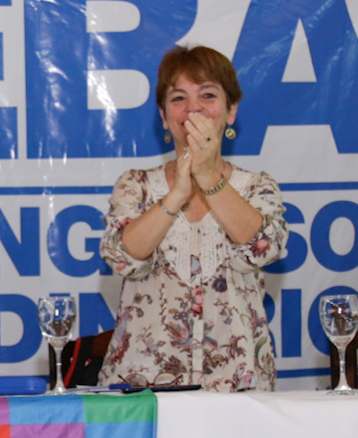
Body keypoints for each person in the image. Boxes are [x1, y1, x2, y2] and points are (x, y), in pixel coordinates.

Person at [97, 45, 287, 390]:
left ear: (231, 111)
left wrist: (210, 177)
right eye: (178, 98)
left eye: (208, 95)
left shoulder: (256, 187)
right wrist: (177, 195)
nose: (193, 108)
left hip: (238, 386)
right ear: (164, 115)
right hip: (144, 387)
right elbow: (121, 257)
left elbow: (265, 248)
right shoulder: (136, 185)